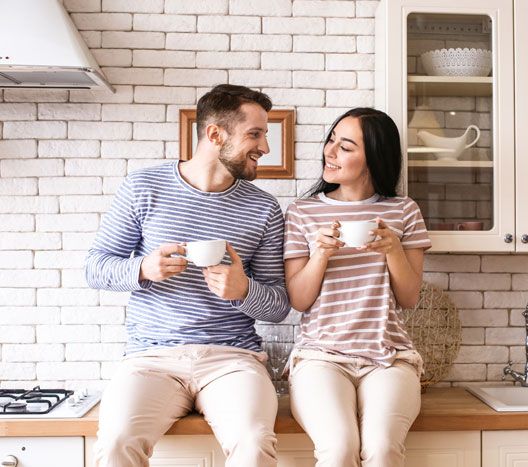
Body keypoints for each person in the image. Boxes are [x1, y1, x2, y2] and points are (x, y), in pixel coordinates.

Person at [85, 84, 290, 467]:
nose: (264, 147)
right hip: (151, 358)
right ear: (215, 134)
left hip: (234, 359)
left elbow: (279, 305)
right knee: (115, 443)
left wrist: (243, 289)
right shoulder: (143, 187)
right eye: (255, 134)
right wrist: (144, 269)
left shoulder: (264, 208)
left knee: (253, 442)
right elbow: (96, 267)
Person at [283, 107, 431, 467]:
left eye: (345, 147)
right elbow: (300, 300)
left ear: (373, 158)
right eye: (331, 141)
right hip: (320, 356)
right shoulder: (302, 212)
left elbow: (409, 298)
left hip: (389, 358)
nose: (329, 152)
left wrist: (393, 248)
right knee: (337, 449)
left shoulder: (403, 211)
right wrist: (319, 253)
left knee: (381, 449)